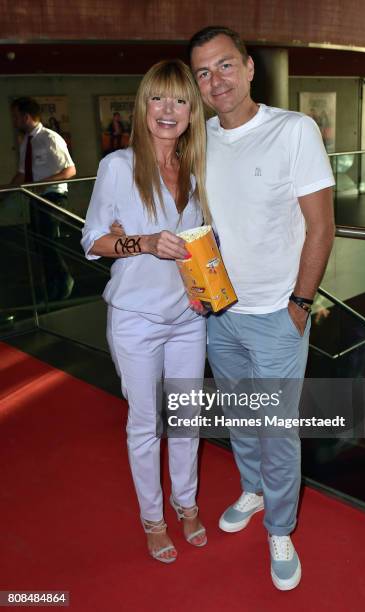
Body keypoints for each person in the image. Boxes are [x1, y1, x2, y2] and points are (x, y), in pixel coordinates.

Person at [189, 26, 335, 590]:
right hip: (220, 312)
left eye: (225, 65)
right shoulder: (200, 139)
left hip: (278, 313)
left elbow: (322, 227)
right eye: (203, 72)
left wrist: (300, 304)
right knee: (239, 417)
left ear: (250, 68)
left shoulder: (292, 131)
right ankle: (252, 490)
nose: (215, 80)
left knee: (276, 430)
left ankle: (281, 526)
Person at [81, 59, 211, 564]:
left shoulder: (197, 169)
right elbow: (93, 239)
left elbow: (201, 242)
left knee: (185, 419)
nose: (168, 110)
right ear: (143, 104)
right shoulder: (119, 165)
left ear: (191, 111)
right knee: (146, 423)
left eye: (180, 100)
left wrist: (206, 284)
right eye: (158, 98)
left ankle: (187, 502)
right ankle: (152, 518)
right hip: (136, 317)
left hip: (188, 317)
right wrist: (144, 243)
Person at [10, 97, 76, 301]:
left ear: (25, 116)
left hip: (53, 196)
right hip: (35, 197)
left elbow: (70, 170)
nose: (13, 121)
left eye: (15, 116)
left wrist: (43, 183)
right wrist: (5, 191)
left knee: (48, 242)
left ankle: (64, 282)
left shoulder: (50, 138)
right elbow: (22, 174)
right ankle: (52, 288)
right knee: (40, 244)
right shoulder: (26, 143)